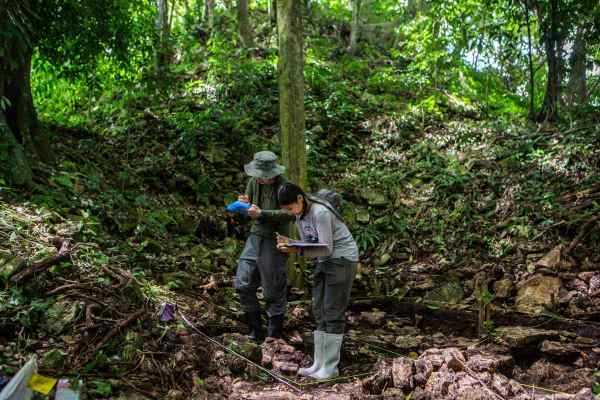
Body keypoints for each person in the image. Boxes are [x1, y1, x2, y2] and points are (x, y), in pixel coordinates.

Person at [275, 182, 358, 380]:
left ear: (300, 199)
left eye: (290, 208)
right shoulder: (299, 215)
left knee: (332, 311)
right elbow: (312, 245)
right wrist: (291, 242)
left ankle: (330, 368)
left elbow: (326, 247)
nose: (288, 212)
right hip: (324, 260)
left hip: (341, 259)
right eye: (285, 210)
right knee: (319, 310)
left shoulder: (320, 213)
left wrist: (296, 249)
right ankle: (318, 364)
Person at [234, 151, 295, 343]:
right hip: (255, 236)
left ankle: (273, 337)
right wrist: (244, 205)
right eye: (258, 175)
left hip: (276, 239)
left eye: (263, 176)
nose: (259, 179)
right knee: (243, 283)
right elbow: (251, 207)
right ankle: (255, 330)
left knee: (273, 289)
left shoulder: (286, 187)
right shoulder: (254, 182)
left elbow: (291, 214)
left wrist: (262, 213)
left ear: (273, 174)